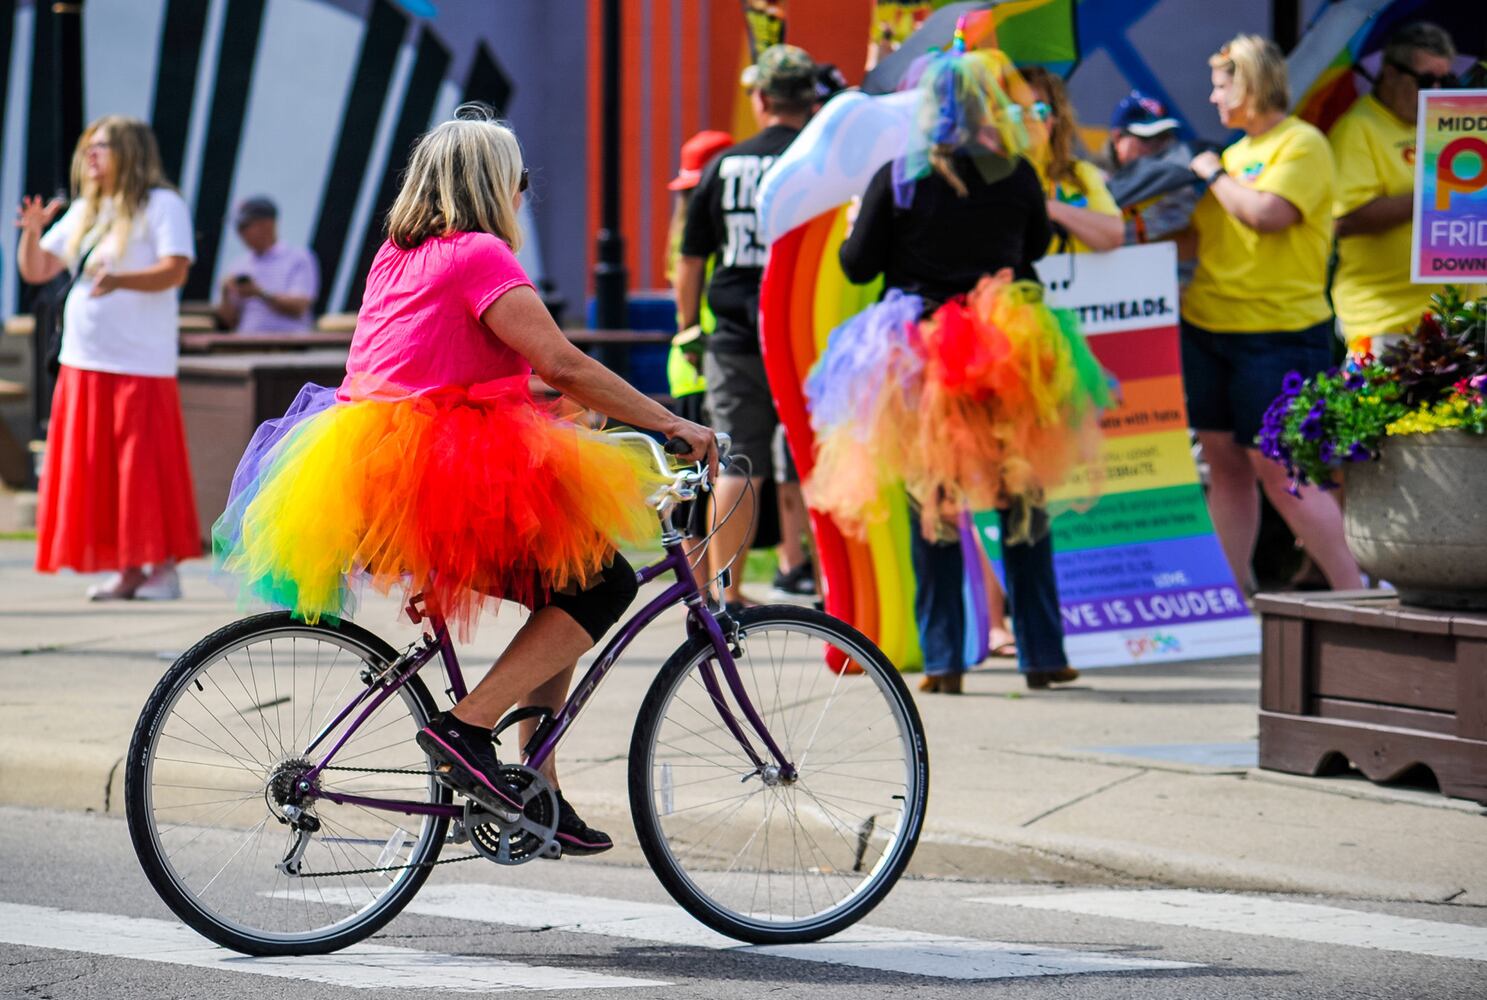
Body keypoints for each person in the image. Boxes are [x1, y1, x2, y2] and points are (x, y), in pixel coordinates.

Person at [215, 105, 717, 855]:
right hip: (436, 479)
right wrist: (674, 423)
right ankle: (465, 728)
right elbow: (563, 362)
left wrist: (552, 406)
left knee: (572, 578)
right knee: (604, 584)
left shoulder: (398, 254)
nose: (521, 195)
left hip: (364, 471)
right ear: (491, 185)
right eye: (516, 182)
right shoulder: (479, 254)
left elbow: (444, 361)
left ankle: (533, 788)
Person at [832, 48, 1097, 692]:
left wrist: (849, 230)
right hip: (1010, 346)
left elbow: (859, 267)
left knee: (936, 502)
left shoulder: (899, 178)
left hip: (922, 349)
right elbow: (1035, 246)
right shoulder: (1015, 173)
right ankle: (1042, 654)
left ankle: (945, 660)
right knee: (1022, 497)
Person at [1184, 35, 1362, 593]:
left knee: (1279, 465)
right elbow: (1200, 244)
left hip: (1279, 332)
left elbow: (1267, 216)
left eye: (1221, 84)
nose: (1213, 98)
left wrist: (1210, 174)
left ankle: (1355, 590)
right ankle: (1233, 598)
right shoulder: (1234, 156)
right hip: (1209, 328)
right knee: (1224, 465)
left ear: (1252, 82)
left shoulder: (1302, 144)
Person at [16, 116, 199, 601]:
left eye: (104, 147)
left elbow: (175, 269)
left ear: (130, 152)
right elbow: (38, 270)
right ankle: (128, 569)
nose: (92, 156)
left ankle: (161, 570)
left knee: (139, 468)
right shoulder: (84, 211)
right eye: (89, 147)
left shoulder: (162, 204)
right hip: (84, 360)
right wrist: (32, 232)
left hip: (138, 361)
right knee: (101, 472)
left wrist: (121, 281)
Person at [677, 44, 817, 610]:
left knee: (737, 459)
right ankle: (828, 585)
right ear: (809, 100)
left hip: (734, 335)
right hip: (804, 332)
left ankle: (722, 595)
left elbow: (691, 260)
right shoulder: (817, 163)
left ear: (761, 100)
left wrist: (688, 328)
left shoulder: (725, 166)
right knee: (815, 459)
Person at [1330, 22, 1457, 358]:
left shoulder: (1452, 125)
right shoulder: (1356, 129)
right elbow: (1346, 218)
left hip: (1453, 316)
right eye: (1427, 80)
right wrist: (1438, 196)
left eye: (1447, 80)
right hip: (1387, 323)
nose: (1437, 90)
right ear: (1390, 74)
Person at [1021, 66, 1123, 255]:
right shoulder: (994, 177)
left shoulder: (1079, 172)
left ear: (1055, 116)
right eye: (1017, 109)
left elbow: (1114, 234)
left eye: (1038, 109)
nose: (1029, 119)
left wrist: (1051, 209)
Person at [1105, 90, 1203, 281]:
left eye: (1164, 137)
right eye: (1147, 138)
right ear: (1118, 137)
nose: (1158, 147)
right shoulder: (1093, 181)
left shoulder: (1182, 182)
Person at [216, 196, 319, 333]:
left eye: (244, 226)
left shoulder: (299, 258)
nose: (240, 233)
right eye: (238, 227)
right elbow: (229, 321)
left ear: (268, 224)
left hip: (291, 346)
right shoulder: (238, 265)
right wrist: (225, 292)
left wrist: (259, 293)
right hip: (245, 346)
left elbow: (300, 306)